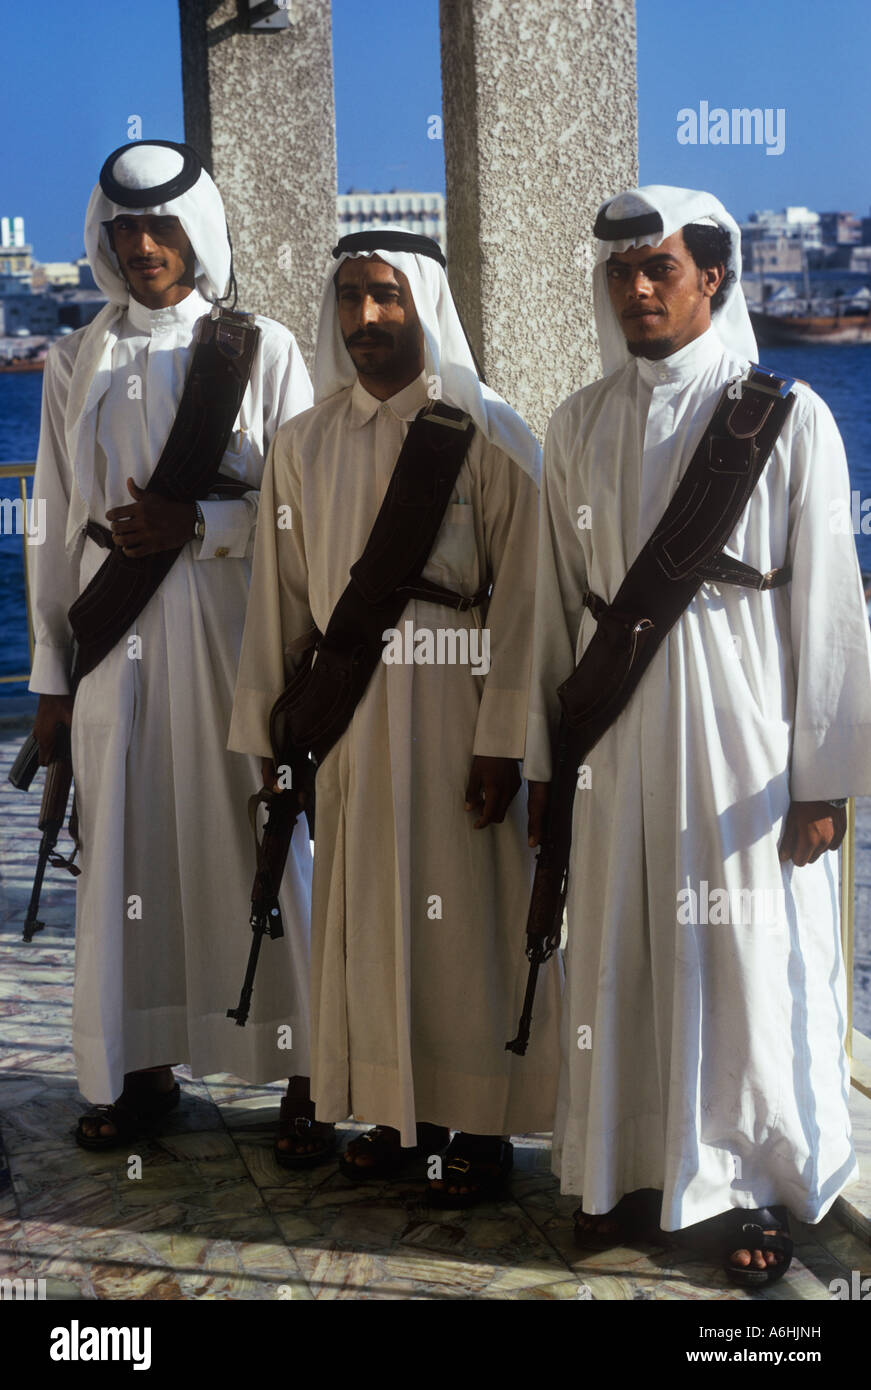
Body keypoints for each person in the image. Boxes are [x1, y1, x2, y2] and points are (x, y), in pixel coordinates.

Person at [524, 185, 871, 1283]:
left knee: (740, 958)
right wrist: (541, 758)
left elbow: (826, 610)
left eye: (658, 270)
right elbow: (547, 606)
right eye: (621, 272)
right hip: (616, 748)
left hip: (745, 751)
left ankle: (747, 1184)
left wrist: (824, 780)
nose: (636, 290)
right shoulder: (575, 423)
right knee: (620, 950)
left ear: (711, 279)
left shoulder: (783, 415)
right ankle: (622, 1171)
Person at [228, 227, 560, 1203]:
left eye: (386, 297)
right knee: (364, 914)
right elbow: (279, 601)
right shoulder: (303, 443)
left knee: (468, 927)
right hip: (348, 729)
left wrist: (507, 741)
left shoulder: (488, 432)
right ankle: (384, 1107)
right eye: (349, 299)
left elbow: (529, 600)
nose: (365, 318)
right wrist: (270, 738)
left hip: (458, 724)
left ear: (423, 305)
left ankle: (478, 1126)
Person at [28, 140, 316, 1153]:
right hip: (113, 648)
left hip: (230, 636)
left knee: (258, 842)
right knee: (123, 850)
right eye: (124, 230)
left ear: (195, 235)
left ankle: (303, 1068)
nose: (142, 246)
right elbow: (55, 524)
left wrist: (201, 528)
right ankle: (136, 1068)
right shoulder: (77, 356)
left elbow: (300, 511)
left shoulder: (262, 349)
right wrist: (53, 678)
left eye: (160, 228)